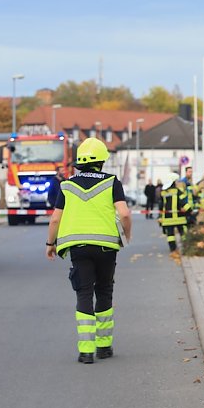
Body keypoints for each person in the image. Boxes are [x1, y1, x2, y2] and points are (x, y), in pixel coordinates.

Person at [46, 138, 131, 364]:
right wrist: (126, 235)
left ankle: (86, 351)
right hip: (106, 247)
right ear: (102, 161)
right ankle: (104, 347)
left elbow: (55, 219)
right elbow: (124, 214)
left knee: (84, 293)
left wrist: (50, 244)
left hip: (78, 248)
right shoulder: (112, 182)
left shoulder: (67, 185)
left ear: (79, 162)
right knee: (104, 291)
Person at [159, 172, 192, 256]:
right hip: (179, 219)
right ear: (173, 182)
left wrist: (160, 218)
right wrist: (189, 211)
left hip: (167, 219)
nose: (178, 182)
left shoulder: (163, 193)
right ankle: (186, 247)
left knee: (170, 235)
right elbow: (184, 203)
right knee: (183, 233)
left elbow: (161, 206)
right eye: (176, 181)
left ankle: (173, 250)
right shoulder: (178, 191)